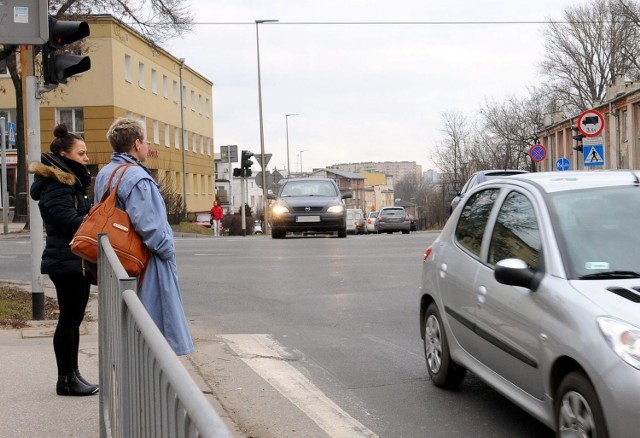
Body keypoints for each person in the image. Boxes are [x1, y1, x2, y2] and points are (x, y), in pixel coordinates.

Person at [95, 118, 194, 356]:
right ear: (137, 144)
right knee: (155, 331)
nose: (147, 145)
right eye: (146, 140)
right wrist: (168, 249)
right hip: (144, 261)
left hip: (118, 258)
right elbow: (151, 227)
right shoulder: (137, 178)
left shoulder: (105, 173)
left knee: (130, 325)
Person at [29, 124, 99, 396]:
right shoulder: (58, 185)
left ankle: (74, 374)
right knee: (69, 320)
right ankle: (66, 379)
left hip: (73, 261)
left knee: (74, 319)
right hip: (66, 261)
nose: (86, 158)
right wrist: (94, 220)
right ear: (64, 154)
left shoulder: (70, 182)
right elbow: (69, 222)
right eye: (81, 154)